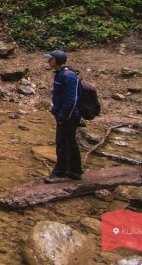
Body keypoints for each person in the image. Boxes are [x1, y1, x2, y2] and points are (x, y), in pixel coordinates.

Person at [44, 49, 83, 183]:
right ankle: (74, 171)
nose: (48, 61)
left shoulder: (68, 76)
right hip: (64, 114)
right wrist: (55, 110)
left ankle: (60, 174)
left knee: (63, 143)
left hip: (69, 116)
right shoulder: (60, 74)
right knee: (70, 142)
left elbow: (71, 100)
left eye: (51, 59)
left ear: (57, 60)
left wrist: (63, 116)